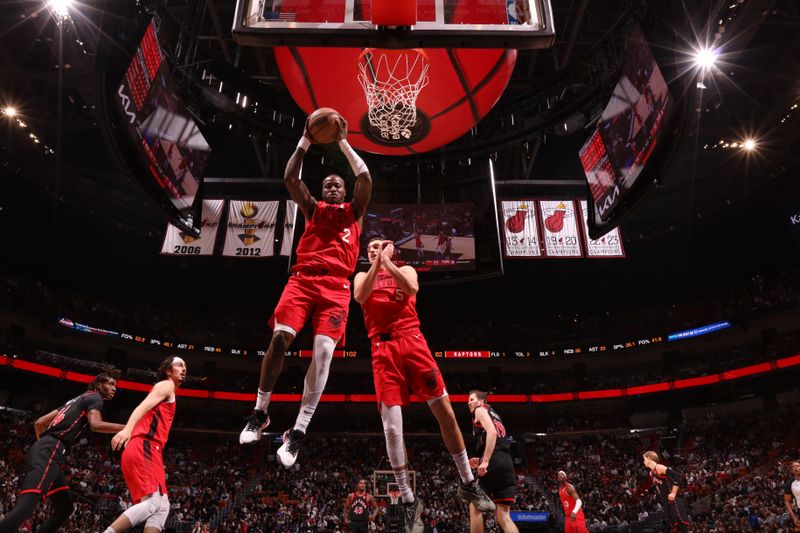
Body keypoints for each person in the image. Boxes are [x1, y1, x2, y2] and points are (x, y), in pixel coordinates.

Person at [240, 114, 372, 470]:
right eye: (327, 184)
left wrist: (342, 141)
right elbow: (289, 178)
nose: (331, 188)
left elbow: (365, 178)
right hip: (302, 280)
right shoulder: (312, 210)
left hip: (336, 287)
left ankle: (297, 432)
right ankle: (259, 412)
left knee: (324, 352)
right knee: (280, 339)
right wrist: (305, 141)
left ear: (343, 192)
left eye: (336, 185)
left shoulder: (354, 213)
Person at [354, 237, 495, 533]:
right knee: (392, 428)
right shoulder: (361, 276)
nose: (372, 249)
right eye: (369, 248)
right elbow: (360, 296)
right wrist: (380, 259)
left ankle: (468, 482)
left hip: (413, 342)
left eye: (378, 245)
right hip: (382, 352)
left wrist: (388, 260)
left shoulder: (407, 271)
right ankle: (408, 499)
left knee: (444, 412)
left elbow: (412, 289)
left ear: (392, 249)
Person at [0, 371, 124, 533]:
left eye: (115, 385)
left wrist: (42, 446)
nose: (114, 388)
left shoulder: (74, 400)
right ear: (99, 385)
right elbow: (96, 424)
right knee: (28, 504)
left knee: (65, 508)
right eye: (110, 384)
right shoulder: (95, 397)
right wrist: (126, 428)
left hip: (46, 450)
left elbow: (39, 423)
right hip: (50, 450)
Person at [102, 356, 187, 533]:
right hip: (145, 445)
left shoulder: (169, 390)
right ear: (168, 371)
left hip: (150, 449)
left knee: (162, 506)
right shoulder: (166, 385)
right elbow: (142, 407)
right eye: (179, 365)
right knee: (152, 503)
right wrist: (127, 430)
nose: (184, 368)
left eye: (185, 365)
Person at [466, 390, 519, 533]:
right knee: (503, 516)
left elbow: (492, 433)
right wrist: (482, 458)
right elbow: (499, 440)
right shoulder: (495, 414)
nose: (469, 402)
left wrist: (486, 461)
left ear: (481, 402)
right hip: (506, 462)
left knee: (475, 505)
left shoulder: (480, 410)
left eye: (471, 399)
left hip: (494, 460)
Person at [642, 451, 690, 532]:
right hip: (665, 503)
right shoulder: (651, 473)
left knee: (682, 527)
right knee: (675, 528)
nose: (643, 461)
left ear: (649, 458)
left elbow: (677, 476)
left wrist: (673, 493)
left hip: (673, 501)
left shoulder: (659, 467)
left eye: (644, 459)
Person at [783, 460, 800, 531]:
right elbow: (787, 501)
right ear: (791, 471)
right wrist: (793, 517)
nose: (796, 468)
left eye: (798, 466)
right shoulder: (789, 484)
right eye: (793, 467)